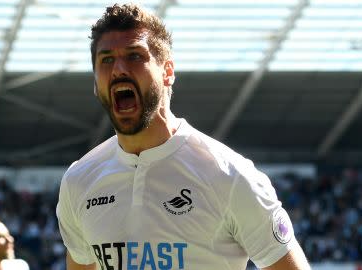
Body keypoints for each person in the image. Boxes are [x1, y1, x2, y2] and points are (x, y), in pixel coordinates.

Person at [56, 3, 311, 270]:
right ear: (96, 83)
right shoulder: (79, 181)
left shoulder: (230, 176)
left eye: (134, 56)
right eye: (106, 59)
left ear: (167, 72)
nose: (119, 69)